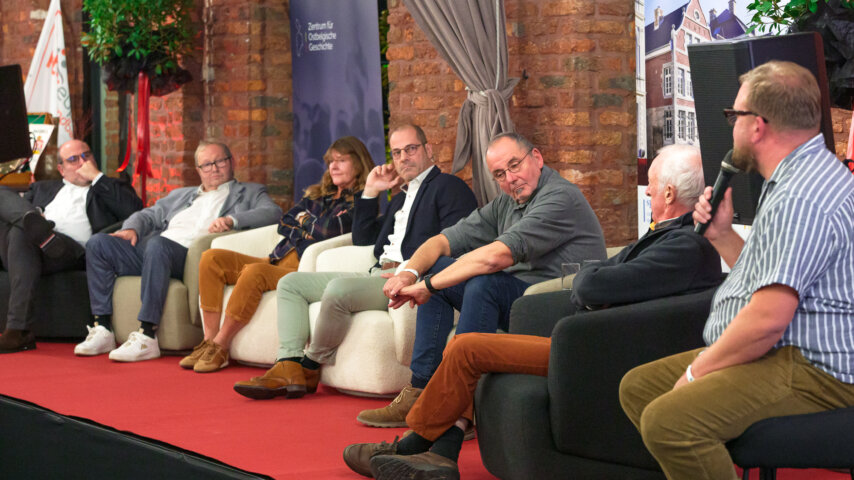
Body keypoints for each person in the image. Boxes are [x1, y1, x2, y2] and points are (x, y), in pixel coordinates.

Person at [340, 143, 724, 479]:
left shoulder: (683, 245)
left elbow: (590, 281)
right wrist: (412, 273)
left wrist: (592, 279)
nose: (648, 191)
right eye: (499, 173)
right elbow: (605, 273)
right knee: (467, 344)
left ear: (670, 192)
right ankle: (438, 451)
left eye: (651, 185)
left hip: (594, 351)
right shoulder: (666, 237)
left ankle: (412, 446)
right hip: (582, 339)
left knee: (470, 338)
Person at [618, 61, 854, 480]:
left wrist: (697, 373)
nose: (729, 127)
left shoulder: (801, 197)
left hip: (815, 368)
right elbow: (773, 278)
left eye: (733, 116)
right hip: (788, 350)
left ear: (757, 126)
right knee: (639, 388)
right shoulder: (799, 177)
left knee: (669, 421)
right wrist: (723, 235)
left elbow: (767, 321)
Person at [355, 132, 607, 429]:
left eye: (515, 165)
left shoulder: (560, 197)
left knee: (483, 282)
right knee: (443, 265)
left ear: (536, 158)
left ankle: (458, 409)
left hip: (557, 305)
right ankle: (421, 390)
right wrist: (409, 273)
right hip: (518, 298)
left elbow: (495, 258)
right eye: (500, 174)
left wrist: (428, 285)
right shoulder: (505, 203)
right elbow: (440, 241)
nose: (510, 178)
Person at [232, 124, 477, 399]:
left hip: (408, 276)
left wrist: (411, 270)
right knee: (291, 284)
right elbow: (363, 239)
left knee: (338, 289)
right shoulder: (400, 198)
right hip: (376, 273)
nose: (403, 157)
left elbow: (456, 243)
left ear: (428, 149)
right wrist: (371, 191)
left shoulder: (448, 187)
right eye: (396, 153)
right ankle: (288, 364)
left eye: (411, 149)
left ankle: (310, 365)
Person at [74, 140, 282, 362]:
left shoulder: (250, 192)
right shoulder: (181, 195)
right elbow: (147, 214)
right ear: (198, 170)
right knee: (98, 244)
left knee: (158, 245)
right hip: (155, 252)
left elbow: (273, 212)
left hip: (187, 257)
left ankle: (146, 334)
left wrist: (232, 220)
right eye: (207, 165)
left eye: (220, 161)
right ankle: (103, 328)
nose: (214, 168)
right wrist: (131, 229)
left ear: (231, 162)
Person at [180, 136, 375, 373]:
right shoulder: (317, 195)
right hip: (275, 257)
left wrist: (304, 221)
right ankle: (209, 342)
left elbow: (327, 231)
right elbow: (285, 220)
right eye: (330, 161)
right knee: (211, 258)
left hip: (298, 268)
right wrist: (307, 223)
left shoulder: (360, 201)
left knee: (255, 271)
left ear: (358, 163)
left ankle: (221, 345)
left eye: (341, 161)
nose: (333, 167)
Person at [0, 140, 142, 352]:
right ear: (61, 169)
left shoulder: (109, 187)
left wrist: (96, 177)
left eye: (87, 155)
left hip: (68, 249)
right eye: (73, 159)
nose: (82, 162)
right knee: (18, 220)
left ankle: (18, 332)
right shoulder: (42, 188)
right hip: (31, 245)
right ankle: (38, 227)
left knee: (23, 233)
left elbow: (134, 210)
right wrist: (35, 220)